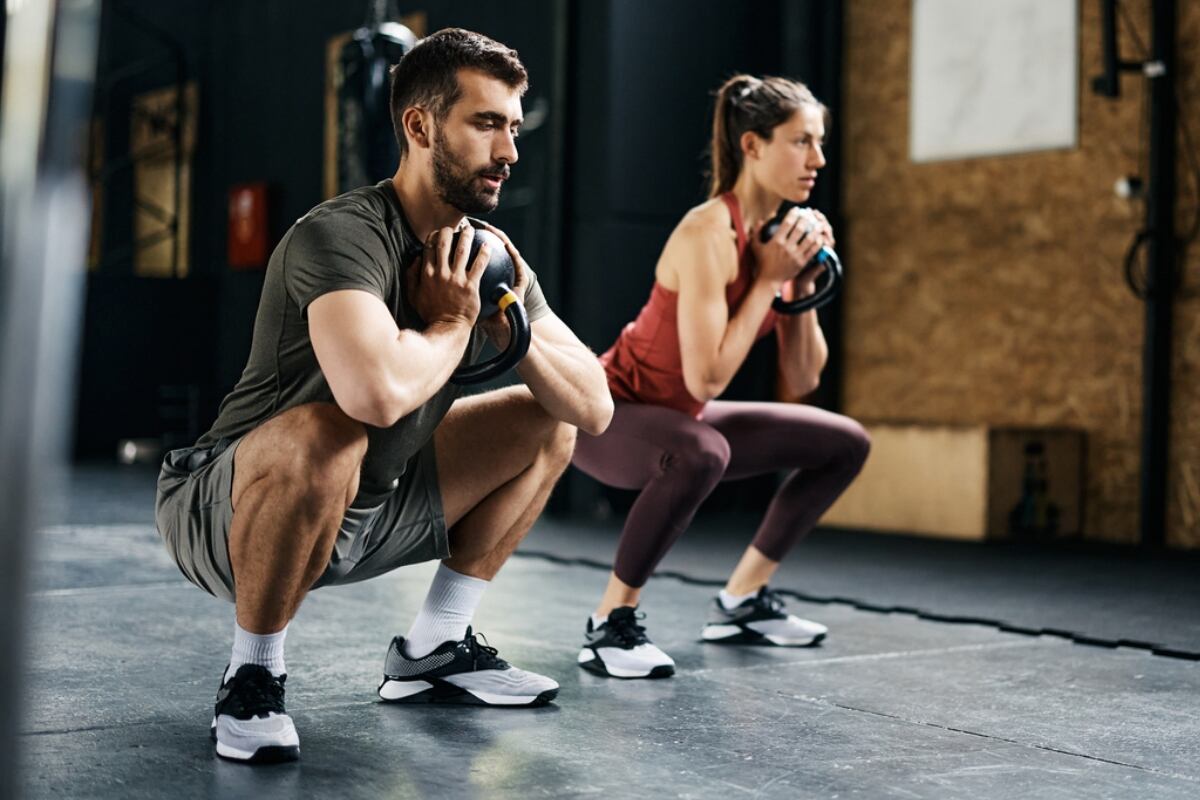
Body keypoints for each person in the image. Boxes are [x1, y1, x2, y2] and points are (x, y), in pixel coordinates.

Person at [155, 28, 612, 763]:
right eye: (486, 124)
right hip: (228, 509)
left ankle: (436, 648)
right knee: (329, 433)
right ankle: (253, 675)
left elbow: (595, 408)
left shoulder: (488, 256)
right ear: (420, 126)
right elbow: (374, 397)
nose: (509, 151)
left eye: (513, 127)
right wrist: (454, 322)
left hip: (372, 506)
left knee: (549, 419)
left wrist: (509, 328)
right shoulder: (341, 235)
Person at [571, 75, 870, 679]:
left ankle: (742, 602)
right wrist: (767, 281)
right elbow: (706, 379)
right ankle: (609, 625)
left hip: (680, 418)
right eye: (801, 142)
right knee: (702, 451)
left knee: (844, 443)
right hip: (605, 415)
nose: (818, 159)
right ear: (753, 145)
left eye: (819, 142)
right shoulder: (707, 231)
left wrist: (798, 287)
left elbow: (802, 377)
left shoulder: (778, 241)